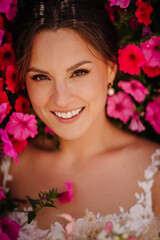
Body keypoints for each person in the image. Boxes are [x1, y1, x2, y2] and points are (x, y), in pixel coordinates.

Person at [1, 0, 160, 238]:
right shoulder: (8, 170)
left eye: (79, 72)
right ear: (24, 80)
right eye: (41, 77)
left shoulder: (155, 175)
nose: (62, 99)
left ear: (111, 69)